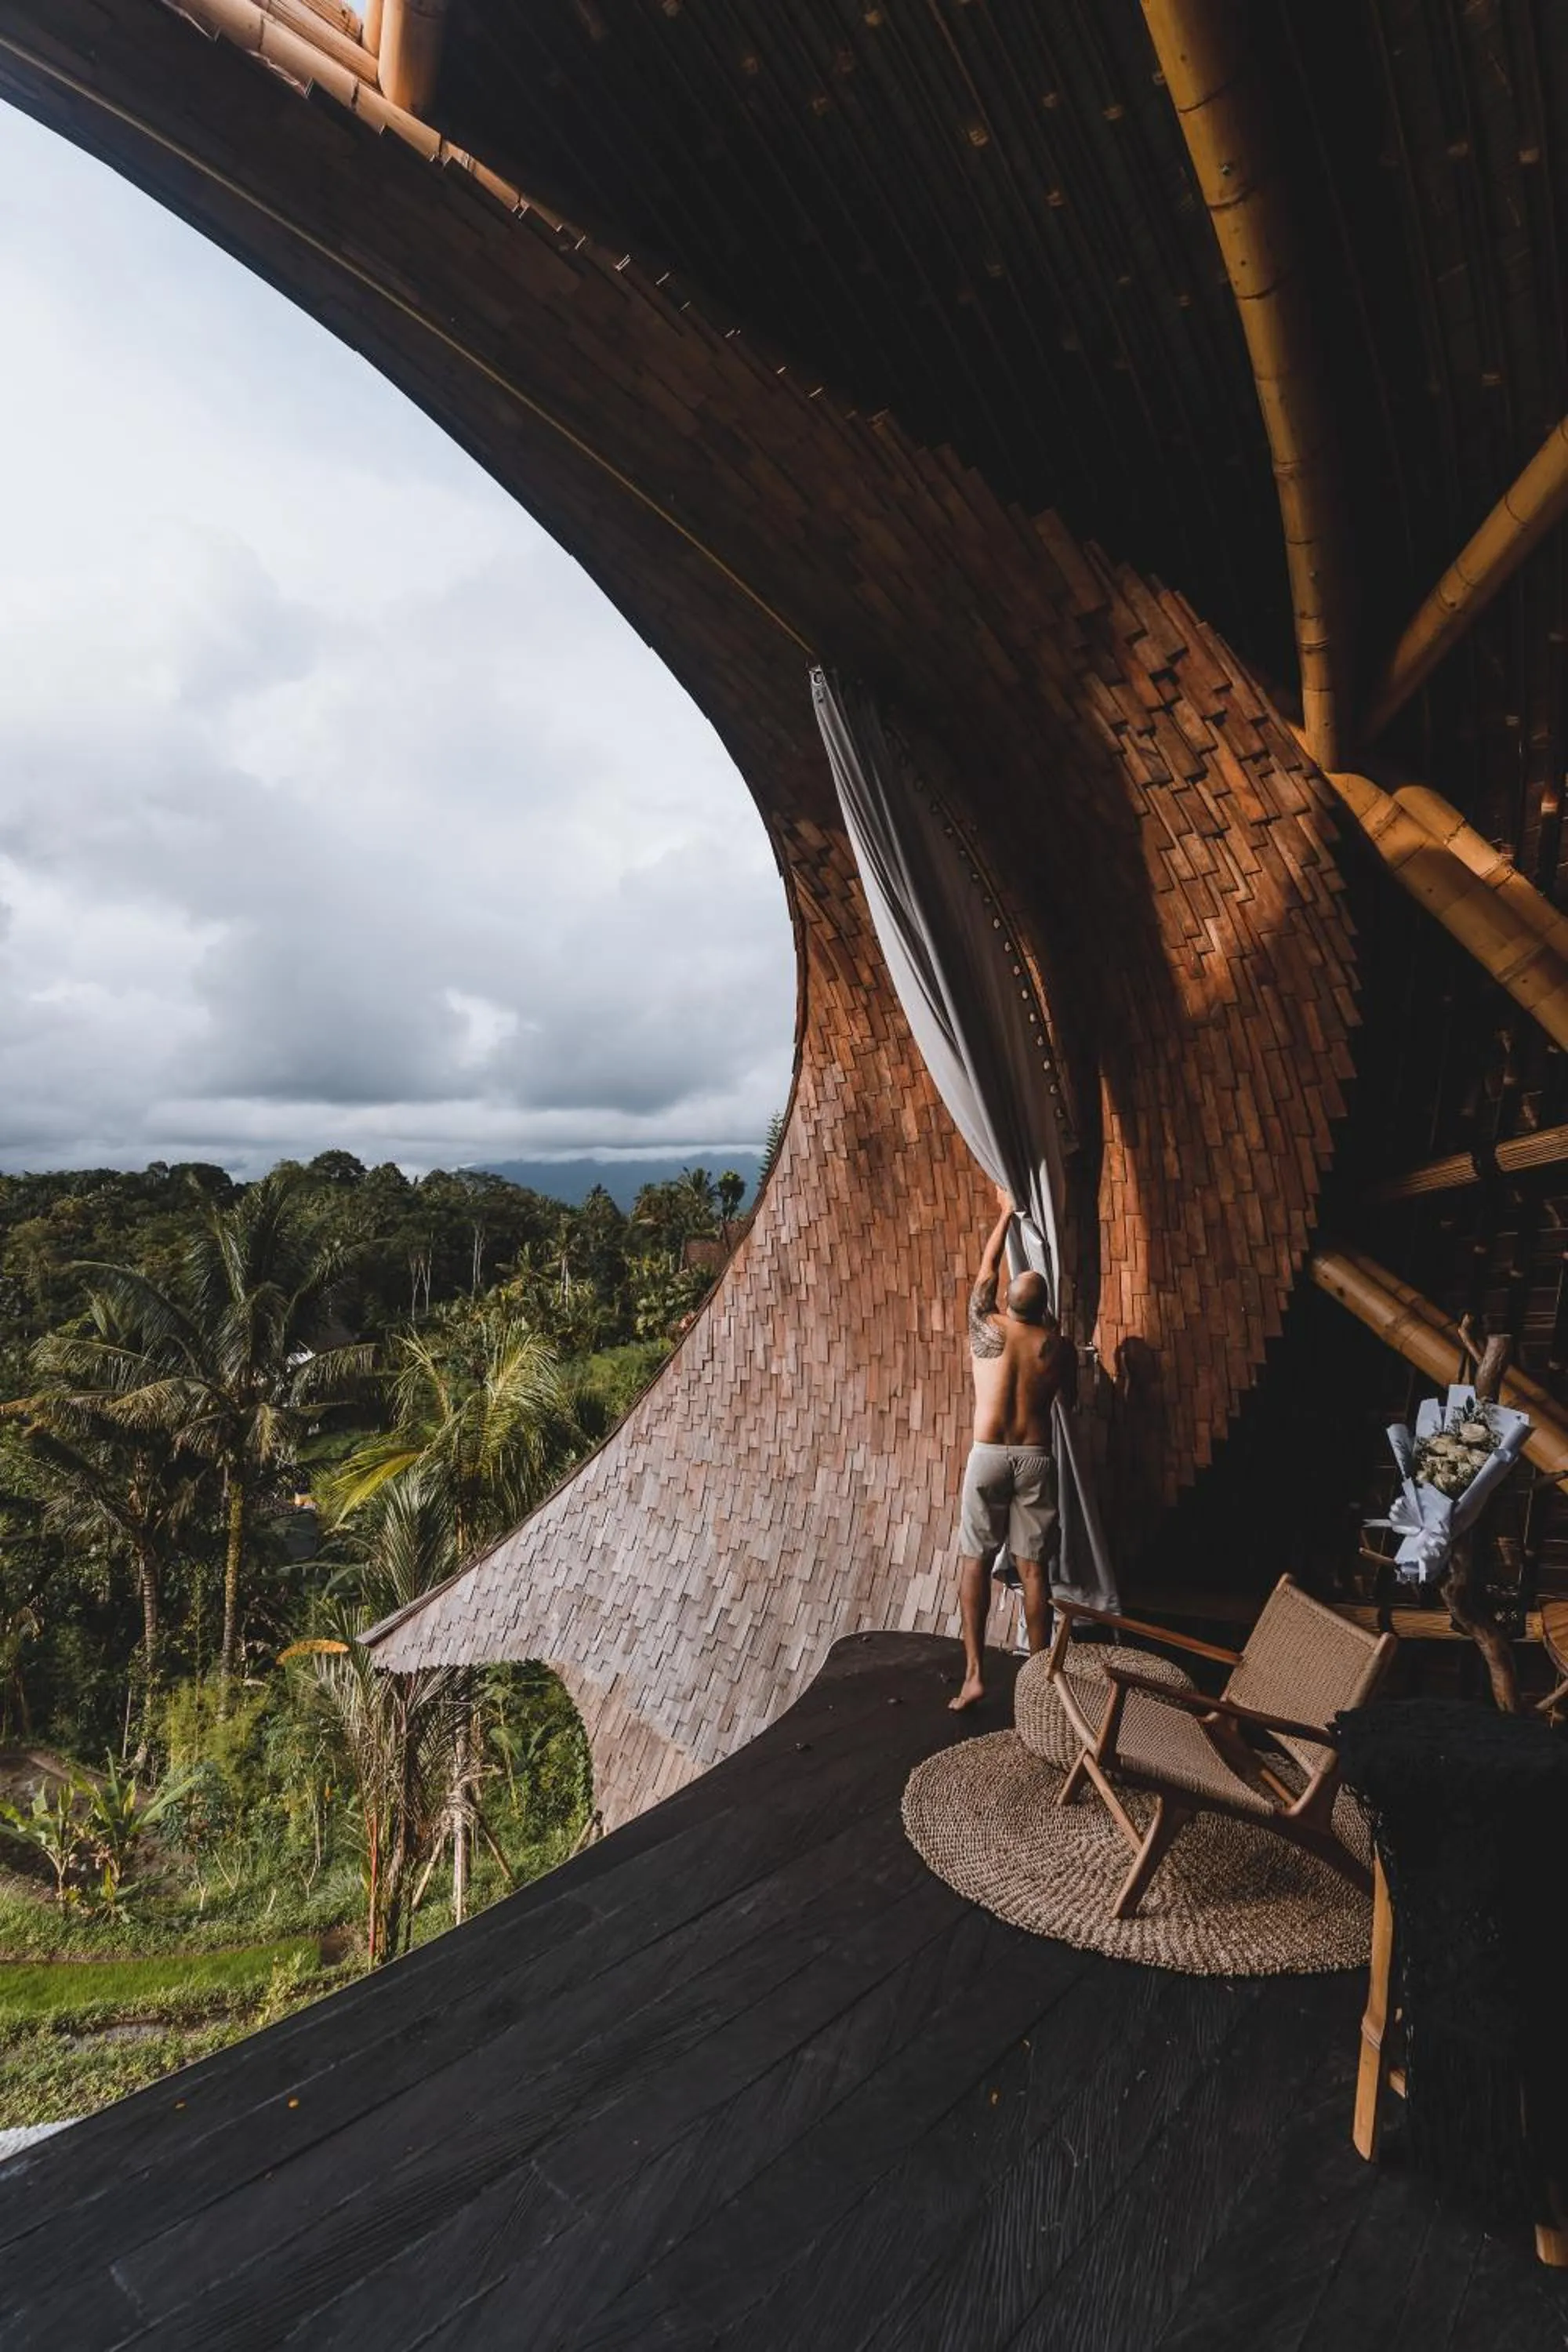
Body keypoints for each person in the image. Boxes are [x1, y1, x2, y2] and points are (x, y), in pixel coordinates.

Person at [949, 1189, 1076, 1711]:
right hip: (1035, 1458)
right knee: (1033, 1571)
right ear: (1044, 1309)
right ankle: (1039, 1685)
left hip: (989, 1457)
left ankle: (974, 1675)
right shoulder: (1056, 1349)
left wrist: (1005, 1214)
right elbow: (1072, 1398)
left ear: (1007, 1302)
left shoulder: (987, 1327)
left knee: (975, 1562)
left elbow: (986, 1268)